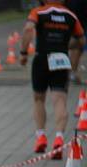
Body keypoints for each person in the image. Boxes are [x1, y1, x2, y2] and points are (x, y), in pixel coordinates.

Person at [20, 0, 85, 157]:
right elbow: (81, 40)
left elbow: (29, 29)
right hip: (61, 59)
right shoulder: (71, 15)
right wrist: (68, 46)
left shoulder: (38, 12)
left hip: (42, 58)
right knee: (60, 100)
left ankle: (41, 136)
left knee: (39, 99)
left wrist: (23, 53)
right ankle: (59, 138)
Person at [66, 0, 87, 81]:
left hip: (78, 16)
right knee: (77, 44)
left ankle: (71, 72)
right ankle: (70, 72)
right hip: (75, 14)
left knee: (78, 46)